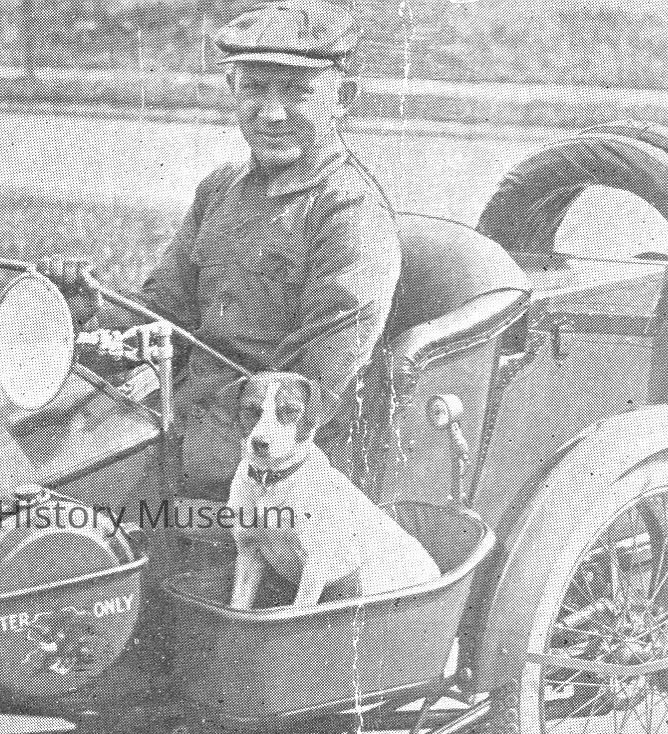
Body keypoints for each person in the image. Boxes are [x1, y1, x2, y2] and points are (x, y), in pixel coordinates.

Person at [41, 0, 401, 498]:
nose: (271, 113)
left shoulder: (350, 214)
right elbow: (165, 311)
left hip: (263, 454)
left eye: (297, 91)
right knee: (13, 453)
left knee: (72, 505)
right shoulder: (221, 189)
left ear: (343, 97)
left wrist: (184, 444)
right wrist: (92, 309)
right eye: (254, 88)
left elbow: (314, 386)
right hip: (182, 409)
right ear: (232, 88)